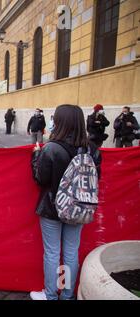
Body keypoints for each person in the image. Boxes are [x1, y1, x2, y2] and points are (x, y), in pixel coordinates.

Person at [31, 104, 101, 300]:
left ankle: (51, 295)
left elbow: (40, 179)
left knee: (52, 253)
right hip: (79, 208)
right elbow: (96, 179)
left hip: (53, 208)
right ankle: (67, 295)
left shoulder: (51, 148)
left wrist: (36, 155)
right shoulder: (92, 149)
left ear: (60, 122)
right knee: (71, 252)